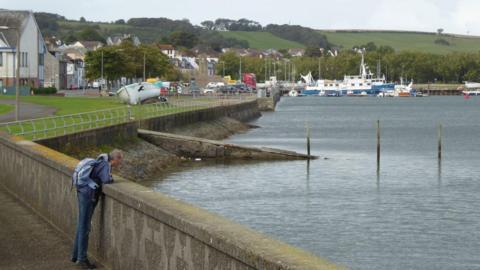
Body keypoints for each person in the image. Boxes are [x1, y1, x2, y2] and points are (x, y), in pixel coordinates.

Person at [71, 149, 123, 269]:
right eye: (120, 161)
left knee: (81, 224)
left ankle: (76, 255)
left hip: (82, 191)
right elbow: (106, 180)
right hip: (88, 195)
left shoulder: (100, 160)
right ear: (115, 159)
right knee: (85, 226)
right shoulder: (105, 164)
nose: (120, 164)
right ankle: (82, 259)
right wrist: (111, 177)